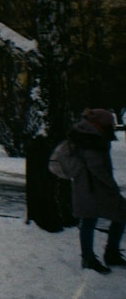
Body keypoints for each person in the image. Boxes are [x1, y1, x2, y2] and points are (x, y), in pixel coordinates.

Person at [67, 108, 126, 274]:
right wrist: (111, 184)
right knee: (117, 214)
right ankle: (99, 256)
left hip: (87, 186)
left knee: (90, 220)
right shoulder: (91, 139)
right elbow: (96, 167)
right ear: (100, 124)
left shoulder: (86, 134)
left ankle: (95, 256)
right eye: (109, 124)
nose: (112, 128)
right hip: (93, 187)